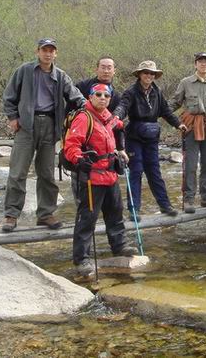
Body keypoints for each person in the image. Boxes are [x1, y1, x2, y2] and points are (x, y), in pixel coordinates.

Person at [2, 38, 85, 232]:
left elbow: (75, 95)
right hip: (26, 125)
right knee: (18, 172)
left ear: (56, 53)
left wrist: (90, 108)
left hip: (50, 125)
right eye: (44, 50)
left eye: (51, 50)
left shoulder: (61, 76)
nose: (48, 54)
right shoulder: (24, 71)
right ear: (37, 51)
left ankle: (46, 214)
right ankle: (11, 215)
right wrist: (13, 117)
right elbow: (9, 96)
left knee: (47, 173)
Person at [63, 83, 135, 275]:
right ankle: (82, 259)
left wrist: (121, 148)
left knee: (115, 213)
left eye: (106, 95)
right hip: (92, 177)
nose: (103, 98)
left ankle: (119, 246)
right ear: (90, 97)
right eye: (98, 94)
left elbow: (119, 127)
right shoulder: (83, 117)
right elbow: (71, 145)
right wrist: (79, 159)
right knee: (87, 219)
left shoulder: (107, 117)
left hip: (110, 174)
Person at [119, 60, 187, 221]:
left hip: (151, 136)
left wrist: (178, 124)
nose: (149, 76)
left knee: (154, 171)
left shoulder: (157, 91)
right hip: (134, 137)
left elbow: (165, 111)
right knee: (136, 171)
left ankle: (165, 205)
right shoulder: (131, 92)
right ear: (139, 74)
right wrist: (116, 117)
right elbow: (122, 107)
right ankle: (134, 210)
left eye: (152, 73)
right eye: (146, 73)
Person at [170, 52, 206, 213]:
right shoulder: (185, 82)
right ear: (195, 64)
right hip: (191, 127)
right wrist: (162, 113)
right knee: (191, 164)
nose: (203, 64)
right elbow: (175, 102)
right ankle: (189, 199)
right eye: (200, 61)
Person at [66, 56, 124, 205]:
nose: (106, 70)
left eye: (109, 67)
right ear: (96, 69)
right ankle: (83, 210)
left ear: (114, 71)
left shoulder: (116, 96)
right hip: (82, 147)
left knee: (109, 198)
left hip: (105, 151)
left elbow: (115, 124)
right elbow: (68, 113)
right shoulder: (82, 87)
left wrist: (120, 148)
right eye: (103, 67)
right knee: (83, 192)